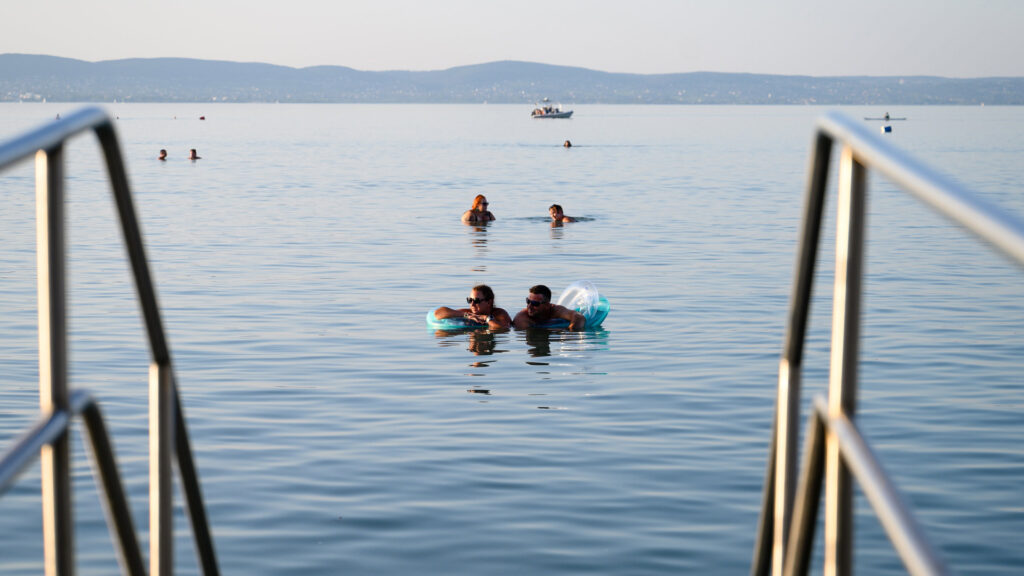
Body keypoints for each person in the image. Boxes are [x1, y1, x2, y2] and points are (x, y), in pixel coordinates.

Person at [433, 284, 512, 329]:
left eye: (476, 301)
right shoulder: (469, 312)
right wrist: (467, 315)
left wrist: (485, 318)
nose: (472, 304)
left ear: (489, 302)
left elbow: (503, 328)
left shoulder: (499, 313)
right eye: (470, 300)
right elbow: (438, 313)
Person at [513, 285, 585, 330]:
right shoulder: (522, 317)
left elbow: (578, 317)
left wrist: (571, 330)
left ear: (547, 305)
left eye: (535, 303)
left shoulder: (556, 311)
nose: (529, 306)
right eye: (528, 301)